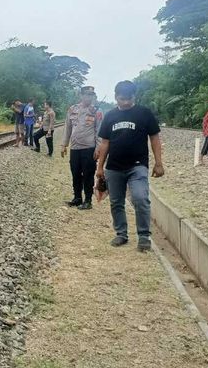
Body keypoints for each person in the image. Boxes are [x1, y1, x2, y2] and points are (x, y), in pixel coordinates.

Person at [96, 81, 164, 252]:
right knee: (116, 202)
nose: (125, 102)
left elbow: (154, 138)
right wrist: (99, 168)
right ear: (115, 97)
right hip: (114, 167)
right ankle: (121, 234)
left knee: (141, 198)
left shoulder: (144, 114)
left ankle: (143, 236)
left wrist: (158, 163)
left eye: (129, 98)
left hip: (137, 166)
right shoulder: (110, 116)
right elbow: (105, 143)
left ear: (135, 96)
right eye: (122, 99)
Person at [61, 86, 103, 210]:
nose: (88, 97)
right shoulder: (73, 109)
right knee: (75, 173)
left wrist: (98, 149)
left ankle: (88, 200)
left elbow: (99, 131)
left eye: (91, 95)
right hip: (75, 148)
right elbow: (67, 127)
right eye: (86, 94)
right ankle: (77, 198)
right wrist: (64, 144)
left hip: (89, 148)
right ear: (81, 95)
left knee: (88, 174)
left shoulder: (97, 111)